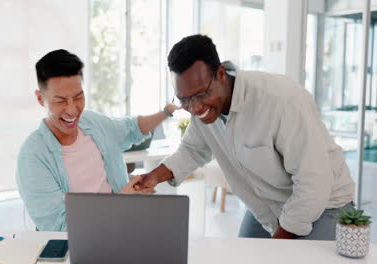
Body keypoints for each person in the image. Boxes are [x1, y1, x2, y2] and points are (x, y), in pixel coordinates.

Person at [136, 34, 355, 240]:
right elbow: (193, 150)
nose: (195, 108)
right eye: (185, 100)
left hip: (324, 203)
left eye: (201, 95)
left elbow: (314, 182)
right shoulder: (201, 109)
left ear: (221, 74)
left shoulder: (281, 101)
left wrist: (279, 243)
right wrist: (153, 176)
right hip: (267, 205)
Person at [16, 49, 178, 232]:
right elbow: (59, 228)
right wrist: (121, 200)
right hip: (81, 243)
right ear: (40, 98)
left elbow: (132, 128)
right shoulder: (33, 157)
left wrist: (166, 112)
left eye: (78, 97)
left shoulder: (93, 123)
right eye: (61, 101)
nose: (72, 110)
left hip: (124, 226)